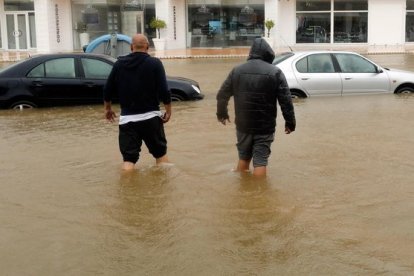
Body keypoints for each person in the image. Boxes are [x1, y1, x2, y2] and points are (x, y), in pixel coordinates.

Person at [216, 38, 296, 177]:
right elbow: (286, 101)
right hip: (265, 126)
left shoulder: (237, 71)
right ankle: (259, 195)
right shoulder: (275, 72)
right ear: (268, 54)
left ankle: (244, 191)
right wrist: (290, 123)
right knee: (260, 161)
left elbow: (222, 95)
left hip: (243, 125)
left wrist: (222, 114)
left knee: (244, 157)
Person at [103, 33, 172, 171]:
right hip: (151, 118)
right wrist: (168, 110)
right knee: (160, 155)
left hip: (127, 120)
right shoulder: (155, 63)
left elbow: (107, 89)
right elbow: (164, 90)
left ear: (131, 47)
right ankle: (165, 189)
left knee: (129, 160)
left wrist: (108, 109)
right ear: (147, 47)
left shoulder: (119, 64)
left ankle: (127, 189)